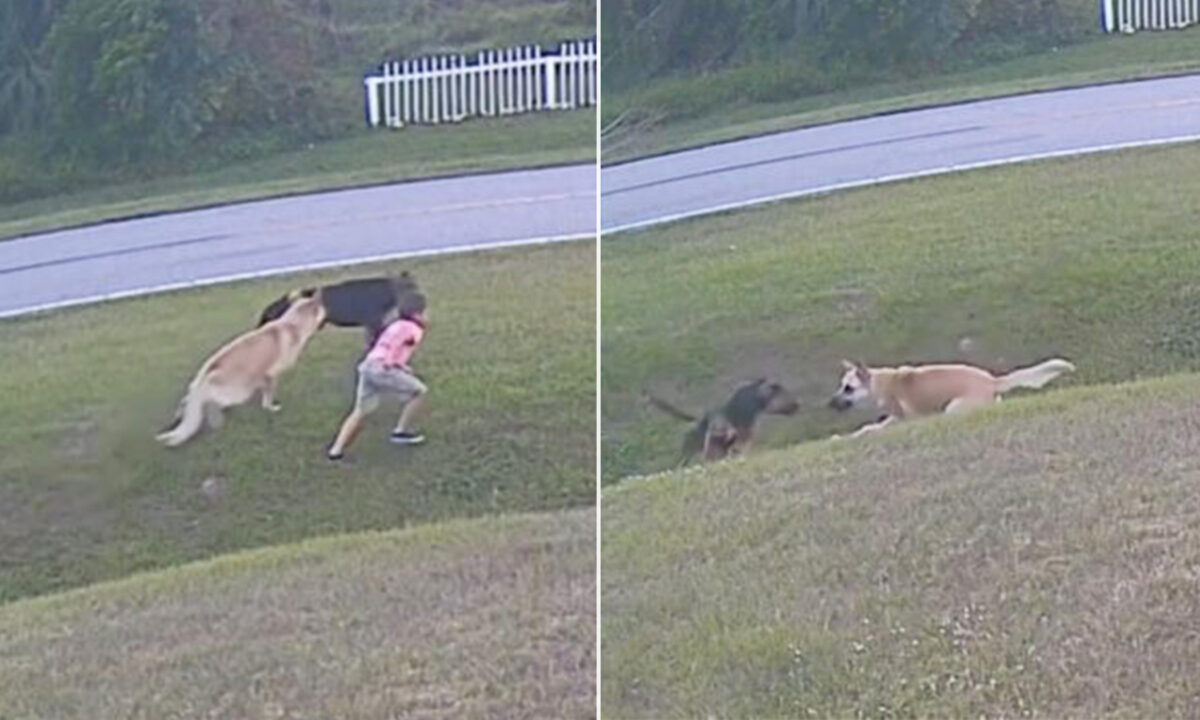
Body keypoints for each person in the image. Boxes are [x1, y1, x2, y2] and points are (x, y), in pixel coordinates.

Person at [327, 291, 429, 461]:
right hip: (382, 368)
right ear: (417, 314)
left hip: (367, 366)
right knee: (420, 392)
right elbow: (396, 347)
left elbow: (388, 344)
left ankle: (336, 450)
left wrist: (401, 366)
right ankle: (400, 431)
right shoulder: (414, 329)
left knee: (360, 411)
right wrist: (391, 363)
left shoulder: (395, 325)